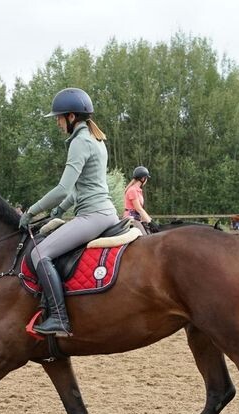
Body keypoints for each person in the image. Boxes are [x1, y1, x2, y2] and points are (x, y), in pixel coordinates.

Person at [19, 87, 119, 337]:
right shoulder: (96, 140)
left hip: (93, 216)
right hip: (105, 212)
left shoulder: (80, 142)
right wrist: (58, 212)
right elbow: (79, 189)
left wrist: (32, 211)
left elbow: (63, 188)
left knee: (40, 254)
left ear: (71, 117)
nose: (57, 122)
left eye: (59, 117)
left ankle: (59, 319)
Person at [124, 166, 158, 233]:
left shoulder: (138, 190)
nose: (146, 180)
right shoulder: (132, 190)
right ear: (143, 179)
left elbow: (140, 210)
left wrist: (149, 220)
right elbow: (138, 209)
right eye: (146, 178)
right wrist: (150, 222)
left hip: (137, 218)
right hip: (131, 219)